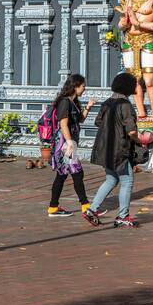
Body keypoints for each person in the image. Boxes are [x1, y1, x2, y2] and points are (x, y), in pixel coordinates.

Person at [83, 72, 153, 229]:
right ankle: (123, 216)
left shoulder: (107, 103)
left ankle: (92, 209)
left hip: (105, 149)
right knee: (127, 181)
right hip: (119, 150)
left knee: (111, 179)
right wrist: (140, 141)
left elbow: (98, 122)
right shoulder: (126, 105)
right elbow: (132, 132)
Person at [46, 74, 103, 223]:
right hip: (65, 145)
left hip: (69, 143)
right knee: (77, 173)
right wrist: (70, 142)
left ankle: (53, 207)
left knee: (62, 175)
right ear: (76, 86)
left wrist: (88, 108)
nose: (84, 89)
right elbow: (63, 124)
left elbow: (80, 120)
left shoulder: (72, 102)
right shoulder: (65, 102)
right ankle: (86, 206)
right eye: (83, 86)